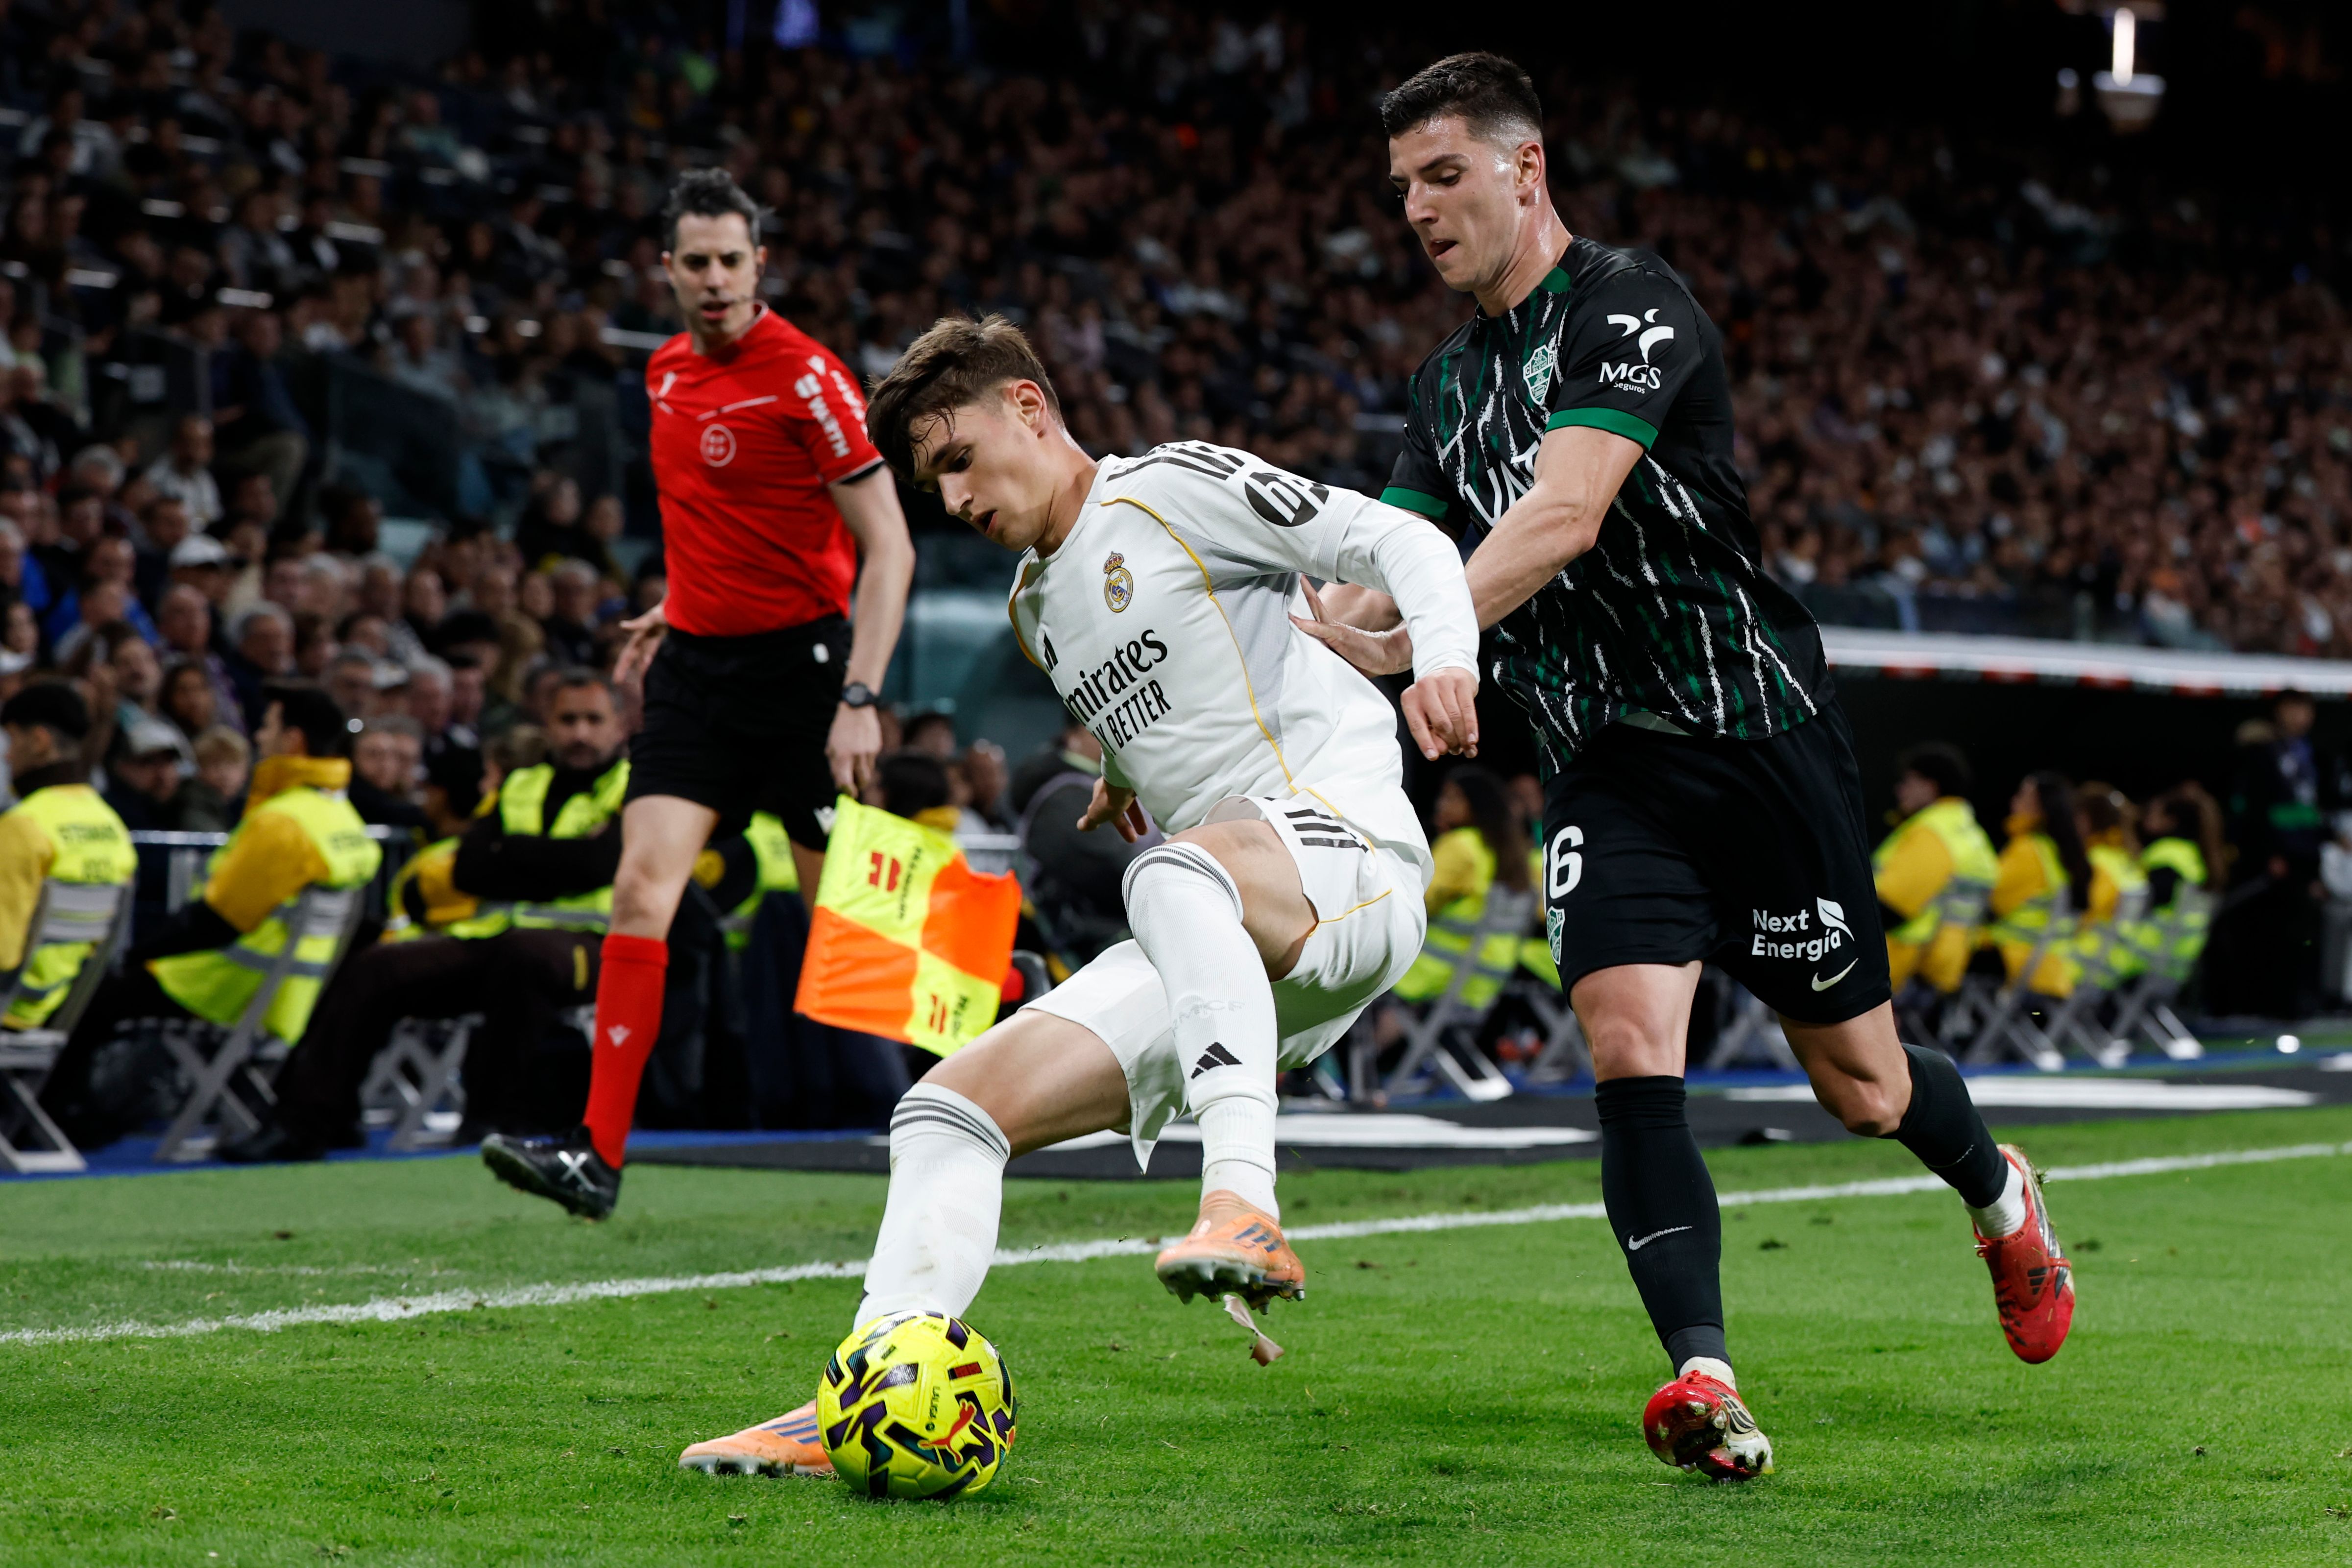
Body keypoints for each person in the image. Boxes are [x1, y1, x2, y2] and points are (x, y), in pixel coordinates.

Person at [1297, 55, 2074, 1480]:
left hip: (1755, 733)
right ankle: (1703, 1376)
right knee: (1624, 1043)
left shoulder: (1630, 303)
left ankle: (1997, 1187)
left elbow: (1566, 512)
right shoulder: (1442, 384)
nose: (1414, 206)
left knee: (1862, 1086)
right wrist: (1299, 632)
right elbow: (1381, 578)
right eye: (1401, 184)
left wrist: (1432, 644)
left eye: (1443, 174)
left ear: (1526, 169)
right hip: (1611, 764)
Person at [674, 314, 1479, 1479]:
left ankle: (1241, 1201)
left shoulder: (1170, 487)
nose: (947, 498)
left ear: (1028, 410)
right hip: (1219, 924)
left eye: (954, 460)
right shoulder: (1032, 606)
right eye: (925, 481)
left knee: (1174, 869)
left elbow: (1395, 544)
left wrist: (1443, 656)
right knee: (947, 1111)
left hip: (1348, 857)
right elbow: (1174, 672)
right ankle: (864, 1384)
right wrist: (1119, 768)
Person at [480, 170, 915, 1219]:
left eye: (733, 260)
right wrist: (675, 601)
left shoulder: (809, 377)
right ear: (666, 270)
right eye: (696, 262)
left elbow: (889, 548)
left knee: (843, 926)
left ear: (759, 263)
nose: (715, 279)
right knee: (641, 890)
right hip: (692, 678)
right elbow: (718, 519)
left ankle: (1006, 983)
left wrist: (860, 692)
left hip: (801, 674)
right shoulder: (666, 371)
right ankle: (599, 1153)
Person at [222, 671, 629, 1161]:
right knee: (377, 967)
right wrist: (561, 860)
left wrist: (516, 855)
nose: (580, 733)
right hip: (496, 934)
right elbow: (472, 868)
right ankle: (308, 1121)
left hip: (592, 944)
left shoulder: (636, 786)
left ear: (619, 726)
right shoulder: (523, 782)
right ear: (548, 723)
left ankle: (489, 1123)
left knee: (525, 960)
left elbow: (603, 864)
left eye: (593, 720)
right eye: (568, 720)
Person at [43, 684, 382, 1149]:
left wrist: (139, 955)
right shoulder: (341, 818)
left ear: (293, 740)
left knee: (92, 991)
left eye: (269, 726)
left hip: (225, 985)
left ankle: (57, 1118)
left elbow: (216, 921)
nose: (261, 736)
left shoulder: (283, 822)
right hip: (293, 992)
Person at [0, 683, 135, 1031]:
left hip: (9, 1009)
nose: (7, 756)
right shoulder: (112, 826)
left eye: (12, 740)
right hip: (59, 1009)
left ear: (40, 740)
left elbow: (2, 951)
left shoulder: (24, 825)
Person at [1874, 743, 1999, 996]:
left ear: (1930, 786)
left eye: (1908, 781)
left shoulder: (1933, 832)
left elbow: (1889, 909)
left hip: (1895, 964)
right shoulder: (1972, 835)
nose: (1900, 790)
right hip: (1944, 966)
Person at [1987, 772, 2094, 998]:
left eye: (2022, 795)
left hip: (2016, 959)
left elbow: (1989, 903)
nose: (2013, 801)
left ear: (2040, 807)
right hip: (2050, 966)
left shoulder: (2029, 851)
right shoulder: (2058, 853)